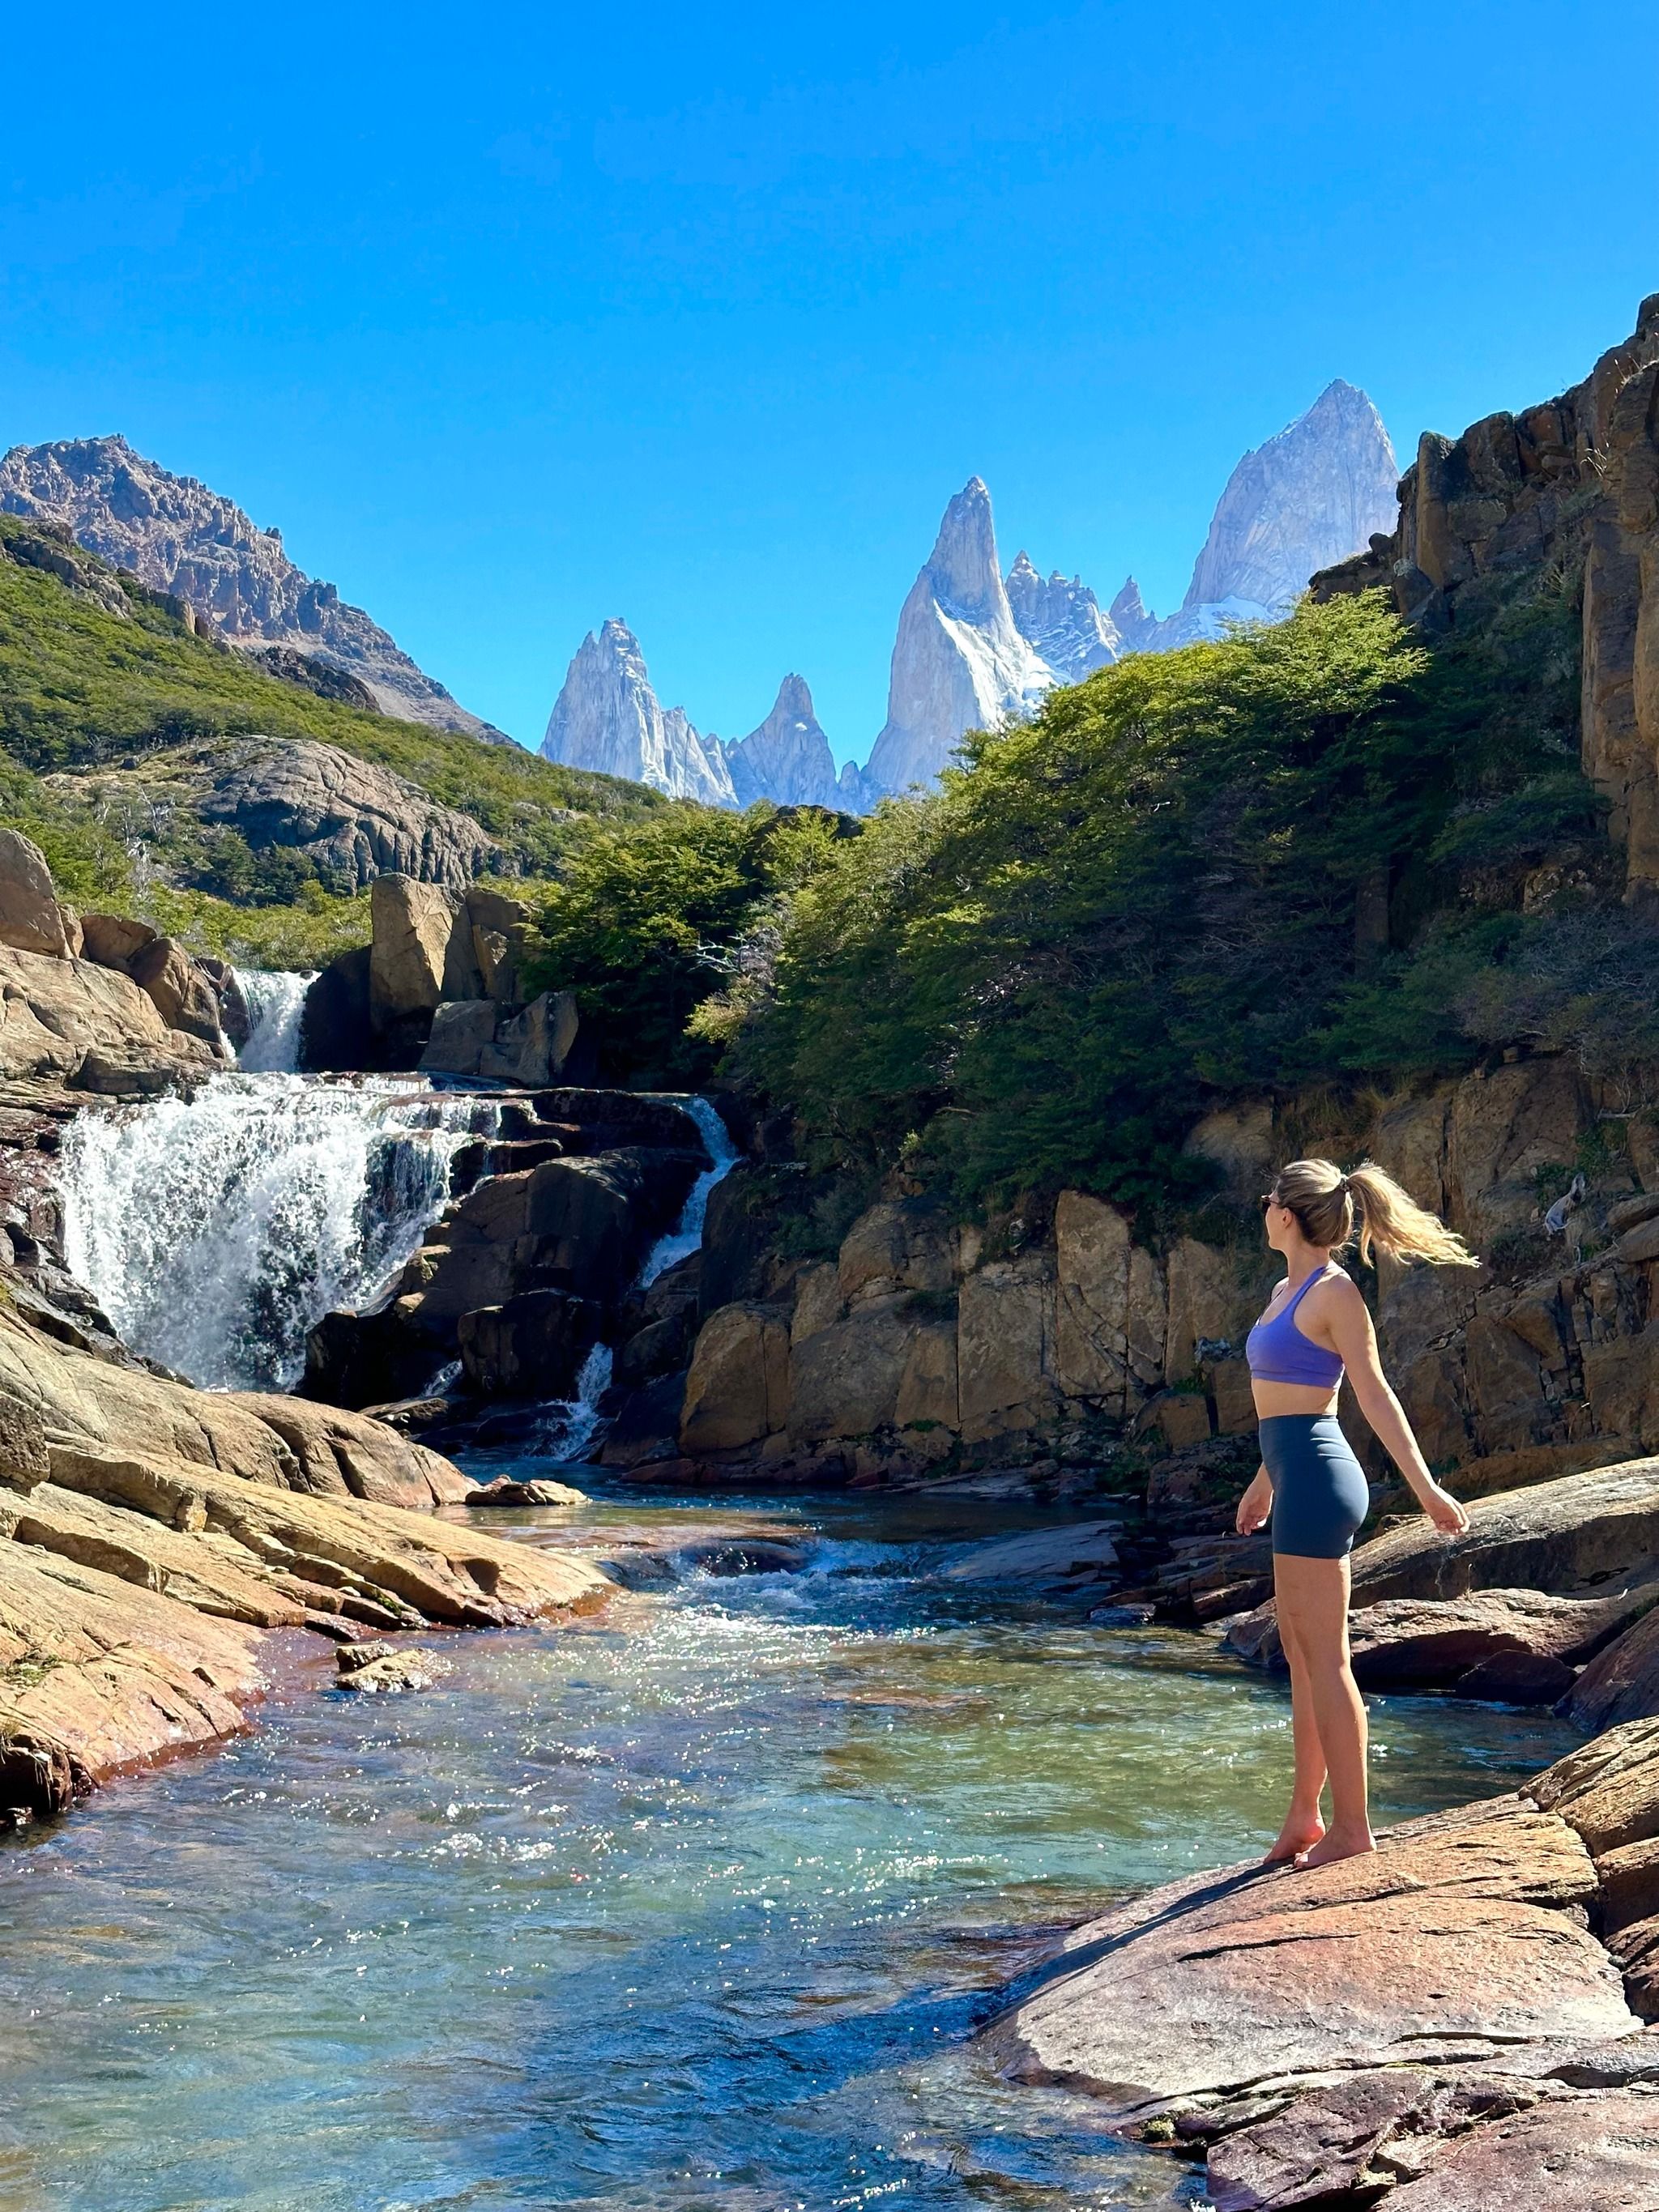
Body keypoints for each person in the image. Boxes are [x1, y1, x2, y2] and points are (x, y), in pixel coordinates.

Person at [1234, 1157, 1475, 1869]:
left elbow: (1372, 1395)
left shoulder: (1336, 1291)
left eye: (1269, 1196)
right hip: (1293, 1473)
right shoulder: (1287, 1288)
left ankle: (1353, 1827)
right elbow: (1290, 1396)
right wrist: (1262, 1482)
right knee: (1305, 1659)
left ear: (1287, 1213)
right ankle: (1306, 1813)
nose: (1264, 1205)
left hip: (1318, 1475)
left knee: (1327, 1660)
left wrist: (1426, 1488)